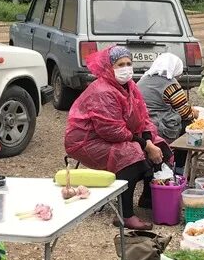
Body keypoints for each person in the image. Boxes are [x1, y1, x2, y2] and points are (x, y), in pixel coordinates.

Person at [64, 46, 172, 230]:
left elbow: (143, 118)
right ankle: (125, 214)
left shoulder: (130, 86)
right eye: (120, 64)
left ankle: (147, 197)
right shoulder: (102, 91)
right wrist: (145, 145)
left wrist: (149, 141)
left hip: (117, 134)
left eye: (129, 63)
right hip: (88, 141)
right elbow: (111, 131)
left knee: (161, 146)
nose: (126, 68)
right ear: (108, 67)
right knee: (130, 155)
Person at [137, 53, 196, 169]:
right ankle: (179, 167)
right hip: (162, 128)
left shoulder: (142, 81)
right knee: (188, 127)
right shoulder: (171, 85)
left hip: (143, 127)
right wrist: (196, 113)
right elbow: (186, 113)